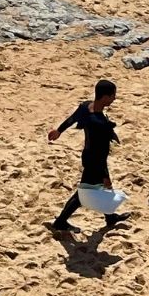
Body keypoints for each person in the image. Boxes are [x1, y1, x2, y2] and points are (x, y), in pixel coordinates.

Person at [48, 78, 129, 232]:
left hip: (88, 155)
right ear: (105, 97)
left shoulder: (86, 107)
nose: (114, 98)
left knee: (101, 188)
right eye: (113, 96)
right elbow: (102, 152)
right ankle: (60, 222)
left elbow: (72, 119)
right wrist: (105, 173)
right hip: (95, 160)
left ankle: (110, 217)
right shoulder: (99, 123)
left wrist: (59, 131)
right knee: (83, 193)